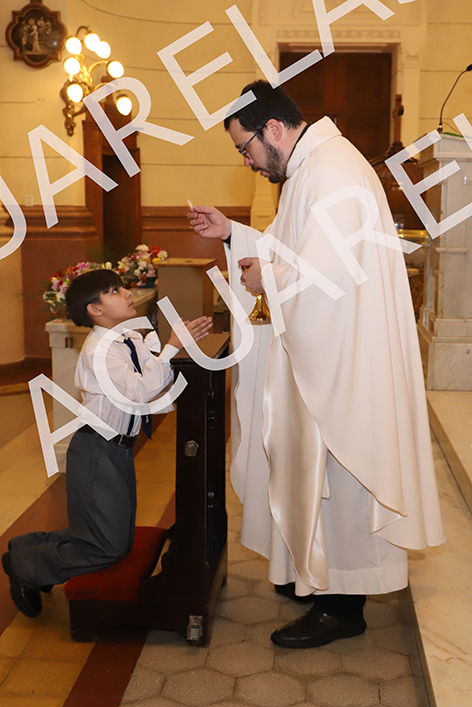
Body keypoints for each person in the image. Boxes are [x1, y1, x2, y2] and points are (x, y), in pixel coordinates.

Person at [188, 80, 444, 648]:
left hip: (343, 361)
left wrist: (270, 280)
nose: (247, 161)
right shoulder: (313, 167)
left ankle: (343, 605)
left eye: (245, 148)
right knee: (317, 472)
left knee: (339, 472)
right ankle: (321, 577)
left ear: (273, 129)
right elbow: (295, 252)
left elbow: (328, 281)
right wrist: (235, 235)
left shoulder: (330, 173)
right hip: (329, 351)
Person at [2, 269, 212, 618]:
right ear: (95, 310)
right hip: (96, 450)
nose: (127, 293)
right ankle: (26, 564)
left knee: (115, 538)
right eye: (114, 290)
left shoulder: (127, 338)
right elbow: (138, 392)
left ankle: (27, 546)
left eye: (122, 287)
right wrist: (172, 347)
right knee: (108, 547)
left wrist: (178, 346)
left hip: (116, 450)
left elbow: (151, 376)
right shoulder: (99, 352)